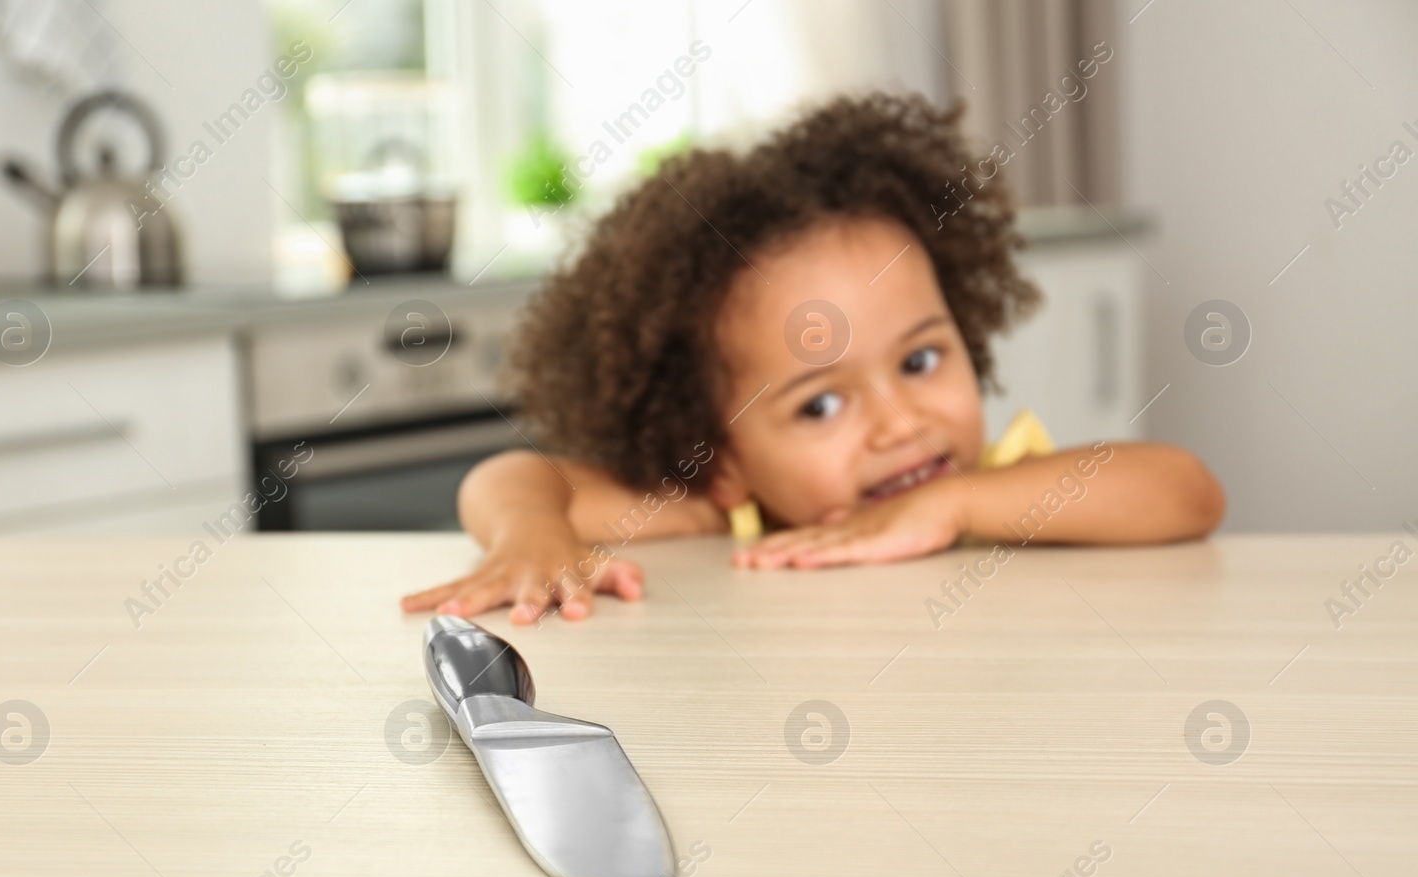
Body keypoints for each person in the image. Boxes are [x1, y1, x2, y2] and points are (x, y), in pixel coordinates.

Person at [402, 93, 1224, 625]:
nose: (901, 423)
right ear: (722, 459)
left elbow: (1188, 490)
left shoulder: (1005, 486)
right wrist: (530, 535)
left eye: (919, 359)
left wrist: (961, 507)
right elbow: (514, 476)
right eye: (820, 405)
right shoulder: (732, 514)